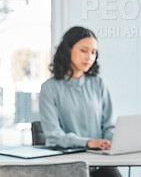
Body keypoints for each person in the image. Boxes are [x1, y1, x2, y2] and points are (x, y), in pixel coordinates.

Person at [39, 26, 121, 177]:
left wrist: (112, 141)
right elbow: (54, 135)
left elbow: (109, 126)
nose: (89, 57)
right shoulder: (49, 88)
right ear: (68, 50)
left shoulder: (99, 83)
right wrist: (88, 142)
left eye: (93, 52)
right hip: (67, 164)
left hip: (99, 162)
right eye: (84, 50)